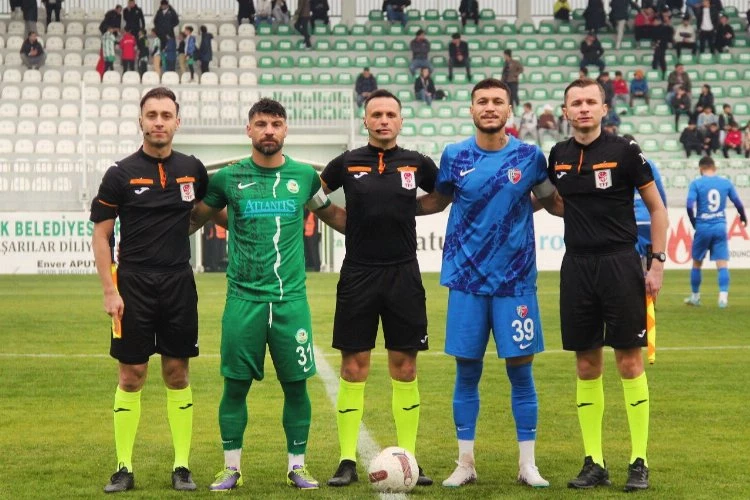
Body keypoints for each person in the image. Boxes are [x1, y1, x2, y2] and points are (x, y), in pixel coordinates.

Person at [188, 98, 345, 492]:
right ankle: (231, 468)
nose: (269, 131)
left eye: (276, 124)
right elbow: (193, 220)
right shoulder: (228, 179)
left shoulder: (305, 177)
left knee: (297, 386)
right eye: (261, 124)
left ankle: (297, 466)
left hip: (291, 302)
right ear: (249, 130)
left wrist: (379, 228)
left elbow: (330, 214)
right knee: (234, 386)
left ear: (286, 129)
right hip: (243, 301)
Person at [413, 78, 563, 489]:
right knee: (467, 373)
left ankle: (528, 465)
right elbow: (438, 200)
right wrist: (387, 207)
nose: (490, 107)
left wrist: (603, 210)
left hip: (515, 283)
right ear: (472, 109)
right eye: (483, 101)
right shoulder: (455, 155)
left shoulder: (530, 157)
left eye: (498, 101)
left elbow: (551, 201)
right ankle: (465, 463)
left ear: (509, 110)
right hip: (466, 282)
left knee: (521, 375)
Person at [548, 78, 668, 492]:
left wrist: (656, 263)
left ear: (604, 108)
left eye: (590, 102)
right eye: (576, 103)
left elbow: (657, 209)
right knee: (586, 364)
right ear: (566, 111)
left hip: (620, 264)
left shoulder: (625, 150)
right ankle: (594, 462)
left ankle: (639, 461)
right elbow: (557, 203)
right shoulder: (558, 155)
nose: (583, 108)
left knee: (629, 362)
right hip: (576, 266)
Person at [91, 86, 209, 494]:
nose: (159, 122)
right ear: (140, 121)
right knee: (131, 374)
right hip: (133, 285)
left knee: (177, 373)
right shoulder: (119, 173)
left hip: (178, 283)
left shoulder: (192, 169)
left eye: (166, 115)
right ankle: (123, 467)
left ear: (178, 121)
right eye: (152, 115)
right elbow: (102, 236)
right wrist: (110, 290)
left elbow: (206, 210)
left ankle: (182, 466)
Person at [322, 89, 437, 489]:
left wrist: (410, 209)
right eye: (376, 114)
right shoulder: (347, 162)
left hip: (404, 273)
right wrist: (343, 220)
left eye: (390, 114)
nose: (384, 120)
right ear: (366, 120)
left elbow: (442, 195)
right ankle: (346, 460)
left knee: (405, 367)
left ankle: (410, 458)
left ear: (400, 120)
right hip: (359, 273)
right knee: (353, 367)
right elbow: (314, 195)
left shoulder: (418, 163)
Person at [685, 156, 747, 308]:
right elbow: (738, 202)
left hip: (703, 226)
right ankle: (723, 299)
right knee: (722, 263)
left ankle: (695, 297)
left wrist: (694, 222)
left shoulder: (696, 183)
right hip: (720, 226)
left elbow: (689, 205)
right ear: (714, 167)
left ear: (701, 168)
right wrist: (743, 216)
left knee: (697, 262)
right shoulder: (725, 183)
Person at [623, 134, 668, 262]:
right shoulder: (649, 164)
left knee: (631, 262)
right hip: (649, 220)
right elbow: (660, 193)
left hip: (629, 222)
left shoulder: (617, 166)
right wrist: (664, 215)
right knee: (651, 261)